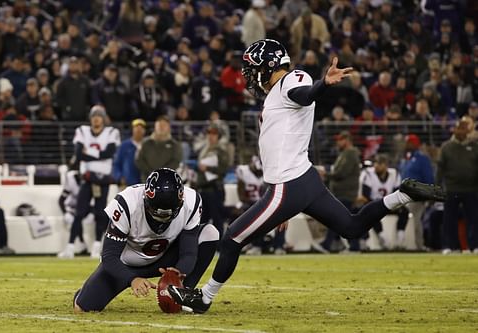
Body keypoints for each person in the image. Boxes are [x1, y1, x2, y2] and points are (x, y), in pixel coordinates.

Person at [168, 39, 446, 314]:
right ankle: (404, 194)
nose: (250, 76)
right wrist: (284, 208)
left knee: (232, 238)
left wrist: (323, 84)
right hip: (300, 182)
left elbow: (303, 94)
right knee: (351, 227)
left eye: (253, 69)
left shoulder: (291, 79)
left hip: (289, 184)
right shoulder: (277, 90)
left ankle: (204, 298)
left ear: (269, 66)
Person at [73, 168, 219, 312]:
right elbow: (109, 256)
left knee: (210, 233)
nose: (162, 220)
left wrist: (179, 271)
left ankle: (185, 294)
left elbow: (189, 252)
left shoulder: (191, 201)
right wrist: (132, 279)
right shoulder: (127, 202)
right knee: (82, 307)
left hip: (164, 259)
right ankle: (85, 292)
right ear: (146, 199)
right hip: (126, 264)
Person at [58, 106, 121, 259]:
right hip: (87, 178)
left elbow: (109, 153)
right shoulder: (82, 131)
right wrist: (100, 155)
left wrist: (90, 153)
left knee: (101, 213)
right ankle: (71, 246)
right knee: (79, 212)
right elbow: (79, 154)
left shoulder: (112, 132)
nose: (96, 118)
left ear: (104, 118)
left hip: (103, 179)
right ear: (90, 118)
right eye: (94, 116)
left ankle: (97, 246)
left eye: (99, 115)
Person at [436, 119, 478, 254]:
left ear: (467, 131)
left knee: (473, 219)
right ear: (454, 130)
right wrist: (436, 187)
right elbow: (440, 169)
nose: (461, 131)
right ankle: (448, 246)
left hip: (471, 189)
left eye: (463, 128)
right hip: (451, 188)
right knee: (449, 220)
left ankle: (474, 246)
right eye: (459, 128)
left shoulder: (475, 146)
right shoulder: (446, 147)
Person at [236, 155, 286, 255]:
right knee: (252, 216)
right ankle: (255, 245)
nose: (259, 173)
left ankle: (279, 246)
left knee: (284, 215)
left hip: (268, 203)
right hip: (250, 204)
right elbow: (241, 194)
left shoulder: (271, 173)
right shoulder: (243, 171)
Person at [357, 154, 409, 250]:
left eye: (380, 163)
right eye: (376, 163)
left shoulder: (394, 174)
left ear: (386, 165)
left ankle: (400, 237)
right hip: (372, 203)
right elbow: (365, 195)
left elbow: (398, 193)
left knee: (404, 210)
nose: (376, 165)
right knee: (371, 211)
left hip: (388, 204)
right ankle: (382, 236)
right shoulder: (368, 173)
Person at [321, 130, 361, 252]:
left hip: (345, 193)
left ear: (347, 140)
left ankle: (330, 245)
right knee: (341, 220)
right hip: (343, 193)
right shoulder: (346, 153)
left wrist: (326, 175)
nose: (338, 143)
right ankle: (336, 244)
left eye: (340, 140)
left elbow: (342, 173)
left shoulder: (349, 154)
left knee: (339, 220)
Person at [399, 134, 435, 250]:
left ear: (415, 144)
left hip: (417, 195)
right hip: (404, 195)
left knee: (415, 220)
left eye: (409, 142)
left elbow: (428, 177)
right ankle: (407, 244)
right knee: (409, 219)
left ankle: (419, 245)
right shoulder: (405, 159)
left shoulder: (422, 159)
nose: (406, 145)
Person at [196, 124, 229, 238]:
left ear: (218, 136)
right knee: (201, 220)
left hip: (214, 189)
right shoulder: (204, 149)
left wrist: (208, 168)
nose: (211, 136)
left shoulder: (221, 150)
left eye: (214, 134)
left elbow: (224, 169)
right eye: (209, 133)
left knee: (217, 220)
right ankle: (202, 245)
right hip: (203, 189)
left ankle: (219, 246)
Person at [135, 115, 182, 181]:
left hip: (167, 181)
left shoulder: (175, 145)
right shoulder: (145, 143)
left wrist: (162, 173)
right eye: (159, 125)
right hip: (147, 181)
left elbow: (176, 161)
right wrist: (152, 173)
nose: (161, 127)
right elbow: (139, 160)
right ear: (155, 126)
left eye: (164, 125)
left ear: (168, 127)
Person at [113, 119, 146, 189]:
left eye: (141, 128)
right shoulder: (124, 145)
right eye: (136, 127)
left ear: (144, 131)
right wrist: (119, 177)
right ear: (132, 129)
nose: (138, 130)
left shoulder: (147, 146)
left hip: (144, 184)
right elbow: (116, 163)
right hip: (127, 184)